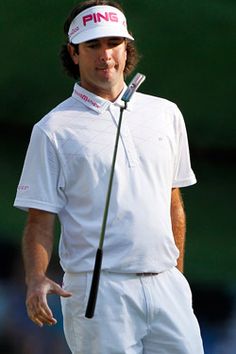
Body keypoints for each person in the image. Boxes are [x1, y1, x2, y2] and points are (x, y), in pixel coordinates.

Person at [14, 1, 204, 353]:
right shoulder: (53, 128)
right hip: (97, 291)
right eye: (92, 45)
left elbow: (172, 201)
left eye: (113, 43)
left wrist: (176, 276)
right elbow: (40, 218)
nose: (105, 55)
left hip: (167, 287)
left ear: (126, 48)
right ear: (74, 53)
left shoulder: (166, 113)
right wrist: (36, 278)